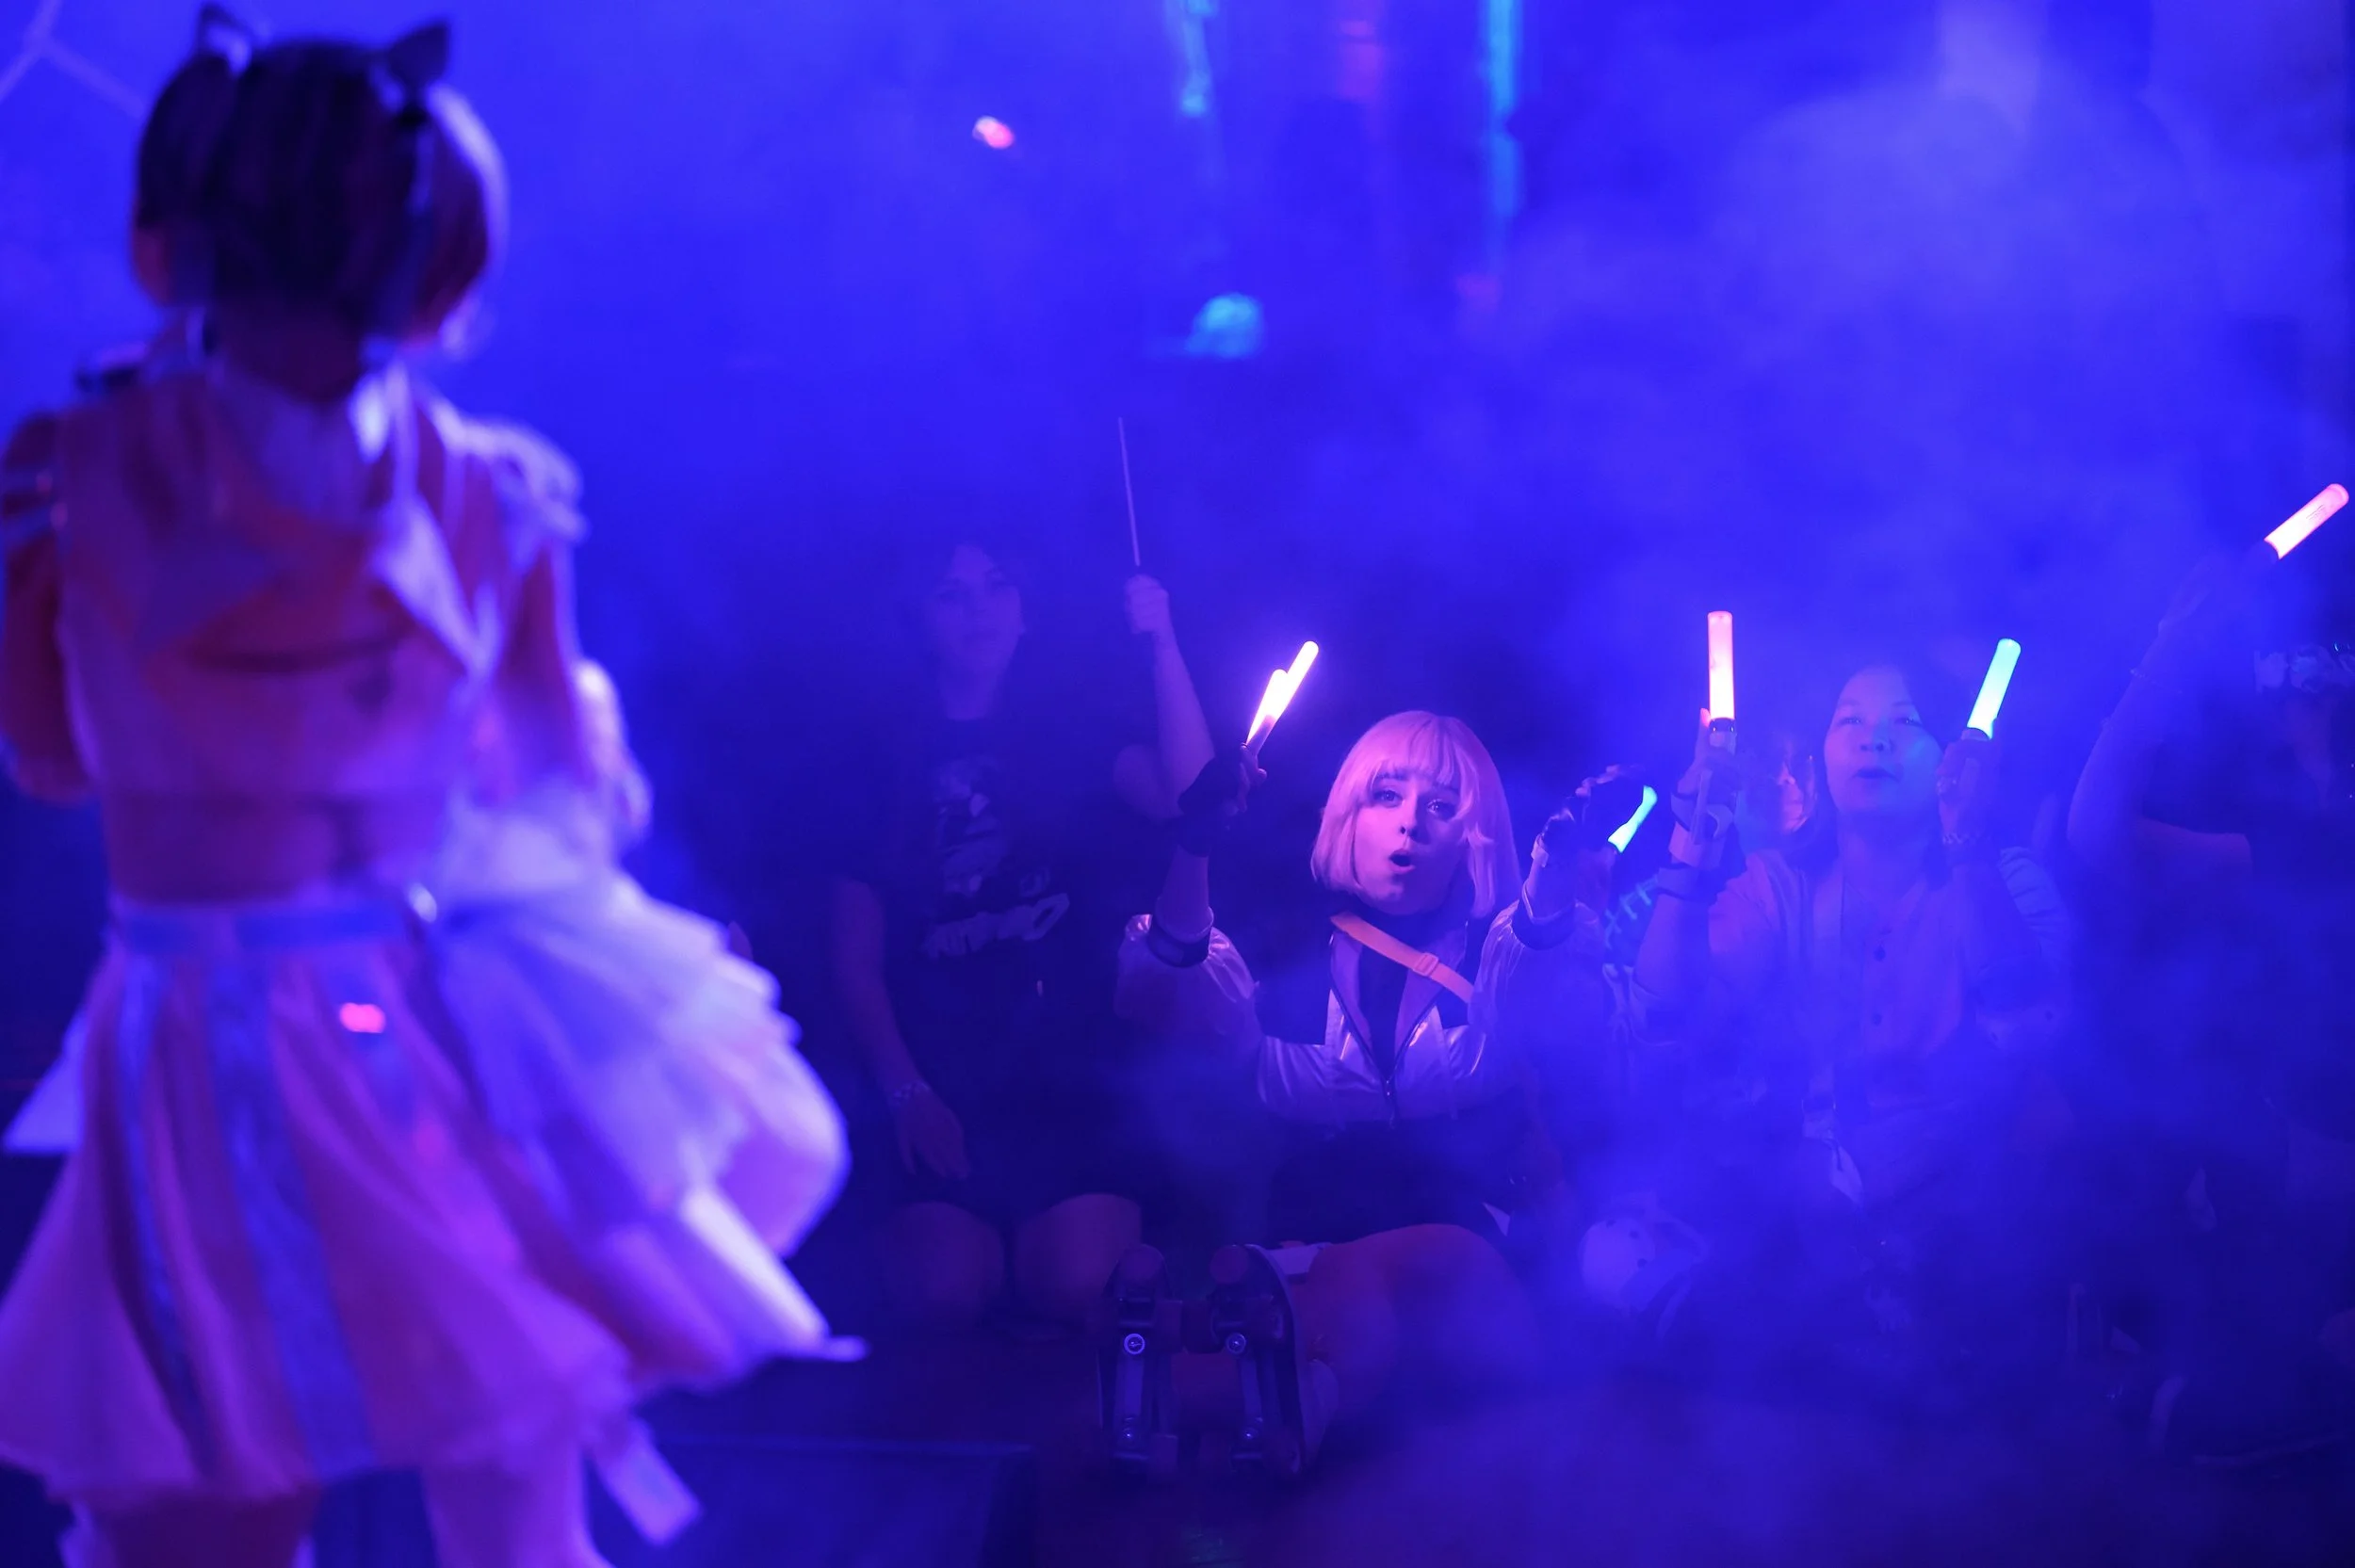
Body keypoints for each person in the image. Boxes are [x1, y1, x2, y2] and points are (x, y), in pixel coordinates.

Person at [0, 15, 842, 1565]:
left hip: (192, 1041)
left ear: (174, 244)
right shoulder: (491, 490)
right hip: (412, 1037)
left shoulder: (69, 479)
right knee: (506, 1462)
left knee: (211, 1497)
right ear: (441, 273)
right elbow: (555, 793)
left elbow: (50, 762)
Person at [1099, 713, 1616, 1474]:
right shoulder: (1278, 950)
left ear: (1475, 836)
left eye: (1442, 806)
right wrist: (1194, 845)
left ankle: (1179, 1378)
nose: (1410, 823)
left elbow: (1536, 955)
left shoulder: (1495, 953)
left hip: (1468, 1242)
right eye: (1387, 795)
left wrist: (1554, 859)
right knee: (1350, 1305)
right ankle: (1282, 1403)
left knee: (1387, 1278)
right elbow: (1168, 981)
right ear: (1349, 812)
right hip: (1313, 1232)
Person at [1619, 660, 2070, 1398]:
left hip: (1989, 1203)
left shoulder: (2008, 878)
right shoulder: (1781, 883)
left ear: (1954, 752)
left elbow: (2029, 1028)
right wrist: (1692, 841)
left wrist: (1967, 843)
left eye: (1904, 722)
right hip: (1830, 1203)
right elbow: (1664, 1013)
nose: (1874, 741)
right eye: (1850, 721)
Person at [829, 533, 1214, 1331]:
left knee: (1081, 1281)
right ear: (921, 621)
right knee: (943, 1291)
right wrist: (905, 1091)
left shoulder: (1071, 736)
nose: (978, 609)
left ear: (1025, 611)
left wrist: (1164, 642)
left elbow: (1192, 800)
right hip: (942, 1075)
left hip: (1072, 1071)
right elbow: (855, 960)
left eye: (996, 586)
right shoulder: (878, 763)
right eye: (953, 594)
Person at [2069, 546, 2355, 1460]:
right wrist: (2171, 648)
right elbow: (2096, 831)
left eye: (2319, 671)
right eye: (2291, 669)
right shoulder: (2288, 831)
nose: (2301, 682)